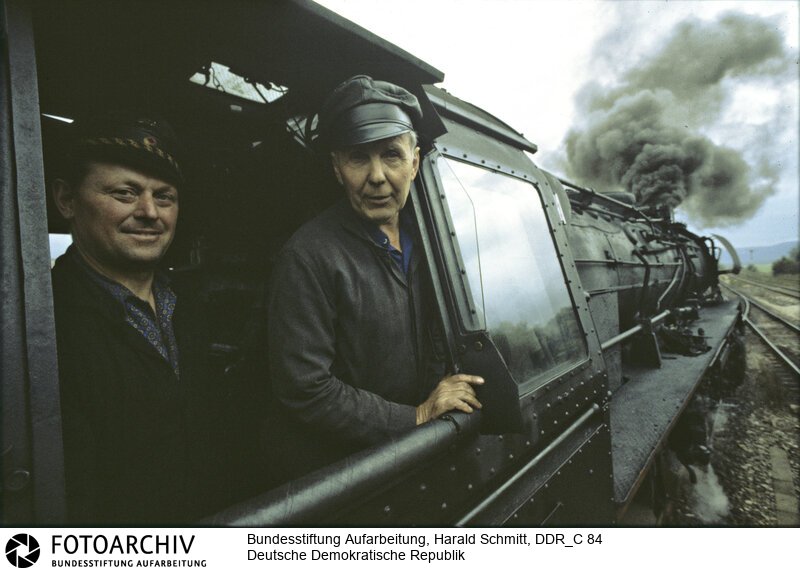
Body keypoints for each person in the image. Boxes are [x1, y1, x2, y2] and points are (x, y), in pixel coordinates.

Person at [267, 75, 483, 479]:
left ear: (415, 163)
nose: (378, 176)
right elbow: (305, 389)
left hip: (418, 454)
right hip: (353, 473)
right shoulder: (307, 256)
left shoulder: (431, 243)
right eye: (358, 158)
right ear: (336, 168)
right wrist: (415, 416)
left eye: (391, 155)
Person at [50, 113, 224, 523]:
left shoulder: (190, 305)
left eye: (164, 197)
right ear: (67, 201)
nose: (149, 212)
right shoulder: (45, 322)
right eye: (126, 193)